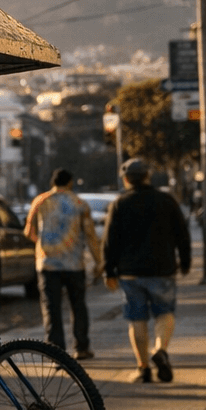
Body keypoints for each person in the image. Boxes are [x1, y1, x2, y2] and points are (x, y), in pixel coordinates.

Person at [103, 157, 191, 384]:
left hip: (130, 272)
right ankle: (160, 350)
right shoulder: (166, 200)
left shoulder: (120, 203)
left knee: (136, 318)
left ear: (125, 179)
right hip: (162, 269)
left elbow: (110, 240)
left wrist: (109, 271)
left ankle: (143, 368)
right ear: (148, 176)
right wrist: (186, 260)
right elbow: (182, 233)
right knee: (165, 312)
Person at [22, 168, 102, 360]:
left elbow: (28, 231)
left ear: (53, 182)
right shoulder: (80, 204)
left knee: (51, 307)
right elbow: (90, 235)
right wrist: (99, 261)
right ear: (70, 182)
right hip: (74, 264)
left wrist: (42, 244)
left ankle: (56, 351)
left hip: (47, 264)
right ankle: (81, 347)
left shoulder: (40, 201)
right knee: (78, 306)